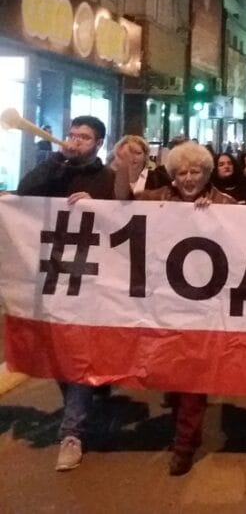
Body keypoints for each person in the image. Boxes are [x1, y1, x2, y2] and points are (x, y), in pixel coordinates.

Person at [16, 115, 130, 472]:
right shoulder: (54, 171)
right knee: (60, 353)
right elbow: (24, 192)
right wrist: (56, 160)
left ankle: (71, 433)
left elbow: (124, 217)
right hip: (52, 276)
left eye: (84, 137)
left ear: (98, 144)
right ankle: (80, 408)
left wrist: (98, 206)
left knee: (76, 351)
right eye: (72, 134)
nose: (75, 141)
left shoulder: (106, 178)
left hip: (91, 280)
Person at [135, 142, 236, 476]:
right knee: (173, 374)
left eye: (195, 172)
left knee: (192, 376)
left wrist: (215, 216)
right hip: (164, 302)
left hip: (204, 305)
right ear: (173, 176)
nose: (189, 178)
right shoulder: (156, 199)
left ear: (206, 174)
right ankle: (185, 428)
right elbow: (118, 207)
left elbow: (243, 239)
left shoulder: (224, 204)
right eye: (182, 173)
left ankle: (183, 445)